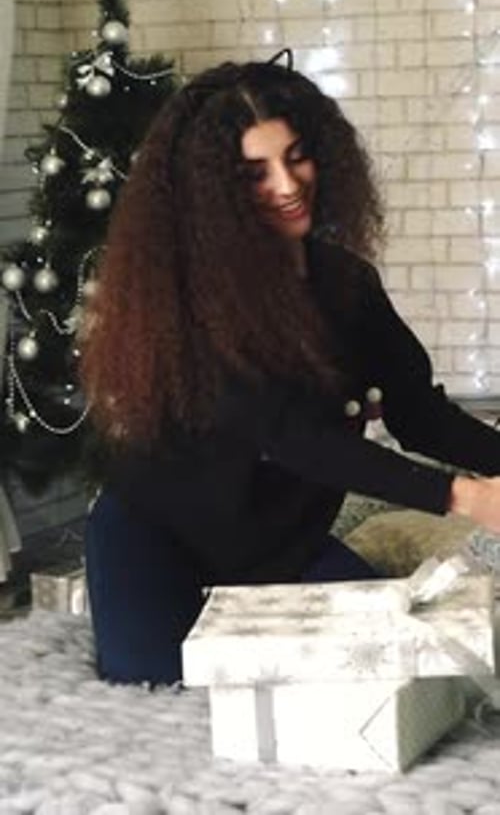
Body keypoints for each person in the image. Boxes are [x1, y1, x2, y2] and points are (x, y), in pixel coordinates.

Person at [81, 50, 500, 687]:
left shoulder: (348, 284)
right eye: (255, 173)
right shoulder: (188, 300)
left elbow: (420, 415)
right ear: (213, 194)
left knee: (393, 665)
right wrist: (461, 496)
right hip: (157, 538)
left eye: (297, 156)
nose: (287, 184)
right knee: (159, 689)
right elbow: (291, 438)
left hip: (285, 547)